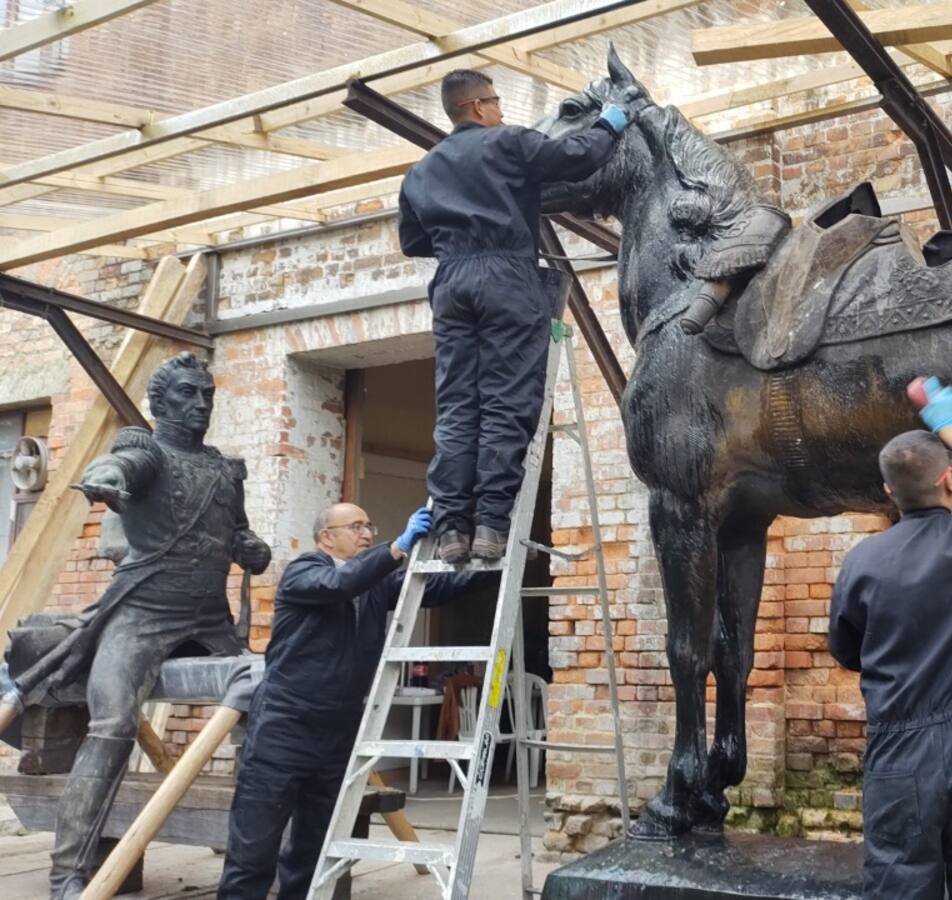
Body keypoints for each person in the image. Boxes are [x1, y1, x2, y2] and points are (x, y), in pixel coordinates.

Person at [47, 352, 271, 900]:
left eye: (207, 395)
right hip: (142, 614)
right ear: (160, 401)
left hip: (208, 619)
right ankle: (67, 874)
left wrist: (251, 548)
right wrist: (104, 478)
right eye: (188, 394)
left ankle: (259, 859)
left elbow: (242, 537)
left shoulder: (223, 468)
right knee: (112, 725)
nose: (200, 404)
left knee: (269, 708)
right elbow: (120, 466)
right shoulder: (147, 452)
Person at [399, 69, 630, 564]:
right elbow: (577, 157)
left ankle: (452, 529)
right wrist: (612, 123)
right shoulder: (507, 143)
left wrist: (457, 236)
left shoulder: (421, 171)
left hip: (452, 282)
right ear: (478, 107)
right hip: (506, 276)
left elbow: (412, 241)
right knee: (507, 401)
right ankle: (489, 526)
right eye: (497, 102)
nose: (502, 111)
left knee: (459, 405)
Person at [828, 377, 952, 900]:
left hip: (901, 758)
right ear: (950, 481)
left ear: (889, 494)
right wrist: (949, 425)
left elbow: (847, 651)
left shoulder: (861, 563)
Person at [217, 502, 431, 899]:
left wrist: (494, 563)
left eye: (370, 525)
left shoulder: (374, 583)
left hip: (337, 734)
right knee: (253, 853)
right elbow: (338, 585)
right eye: (356, 526)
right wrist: (397, 547)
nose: (367, 533)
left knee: (313, 853)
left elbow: (430, 588)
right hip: (283, 729)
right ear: (326, 537)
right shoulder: (304, 571)